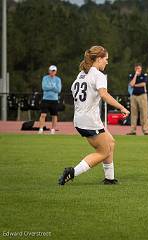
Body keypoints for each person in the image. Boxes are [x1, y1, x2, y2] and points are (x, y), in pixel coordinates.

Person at [58, 46, 130, 185]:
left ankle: (110, 179)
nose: (107, 62)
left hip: (80, 119)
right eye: (106, 59)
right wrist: (121, 107)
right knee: (103, 152)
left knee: (111, 142)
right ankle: (72, 172)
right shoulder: (98, 75)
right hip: (89, 121)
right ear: (98, 59)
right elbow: (104, 94)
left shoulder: (82, 73)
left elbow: (74, 90)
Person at [38, 65, 61, 134]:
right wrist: (53, 88)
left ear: (56, 72)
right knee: (43, 115)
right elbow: (44, 87)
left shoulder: (58, 79)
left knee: (54, 115)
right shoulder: (45, 78)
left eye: (54, 71)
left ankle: (53, 129)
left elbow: (58, 90)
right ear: (49, 71)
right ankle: (41, 129)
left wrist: (50, 87)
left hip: (54, 100)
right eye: (51, 70)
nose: (52, 72)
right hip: (46, 99)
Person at [127, 64, 148, 135]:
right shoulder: (132, 75)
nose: (138, 69)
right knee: (133, 114)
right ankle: (133, 130)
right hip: (134, 96)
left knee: (144, 113)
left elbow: (143, 84)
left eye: (139, 68)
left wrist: (135, 85)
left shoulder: (144, 75)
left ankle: (145, 130)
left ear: (141, 68)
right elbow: (131, 84)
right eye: (136, 68)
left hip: (142, 95)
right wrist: (135, 75)